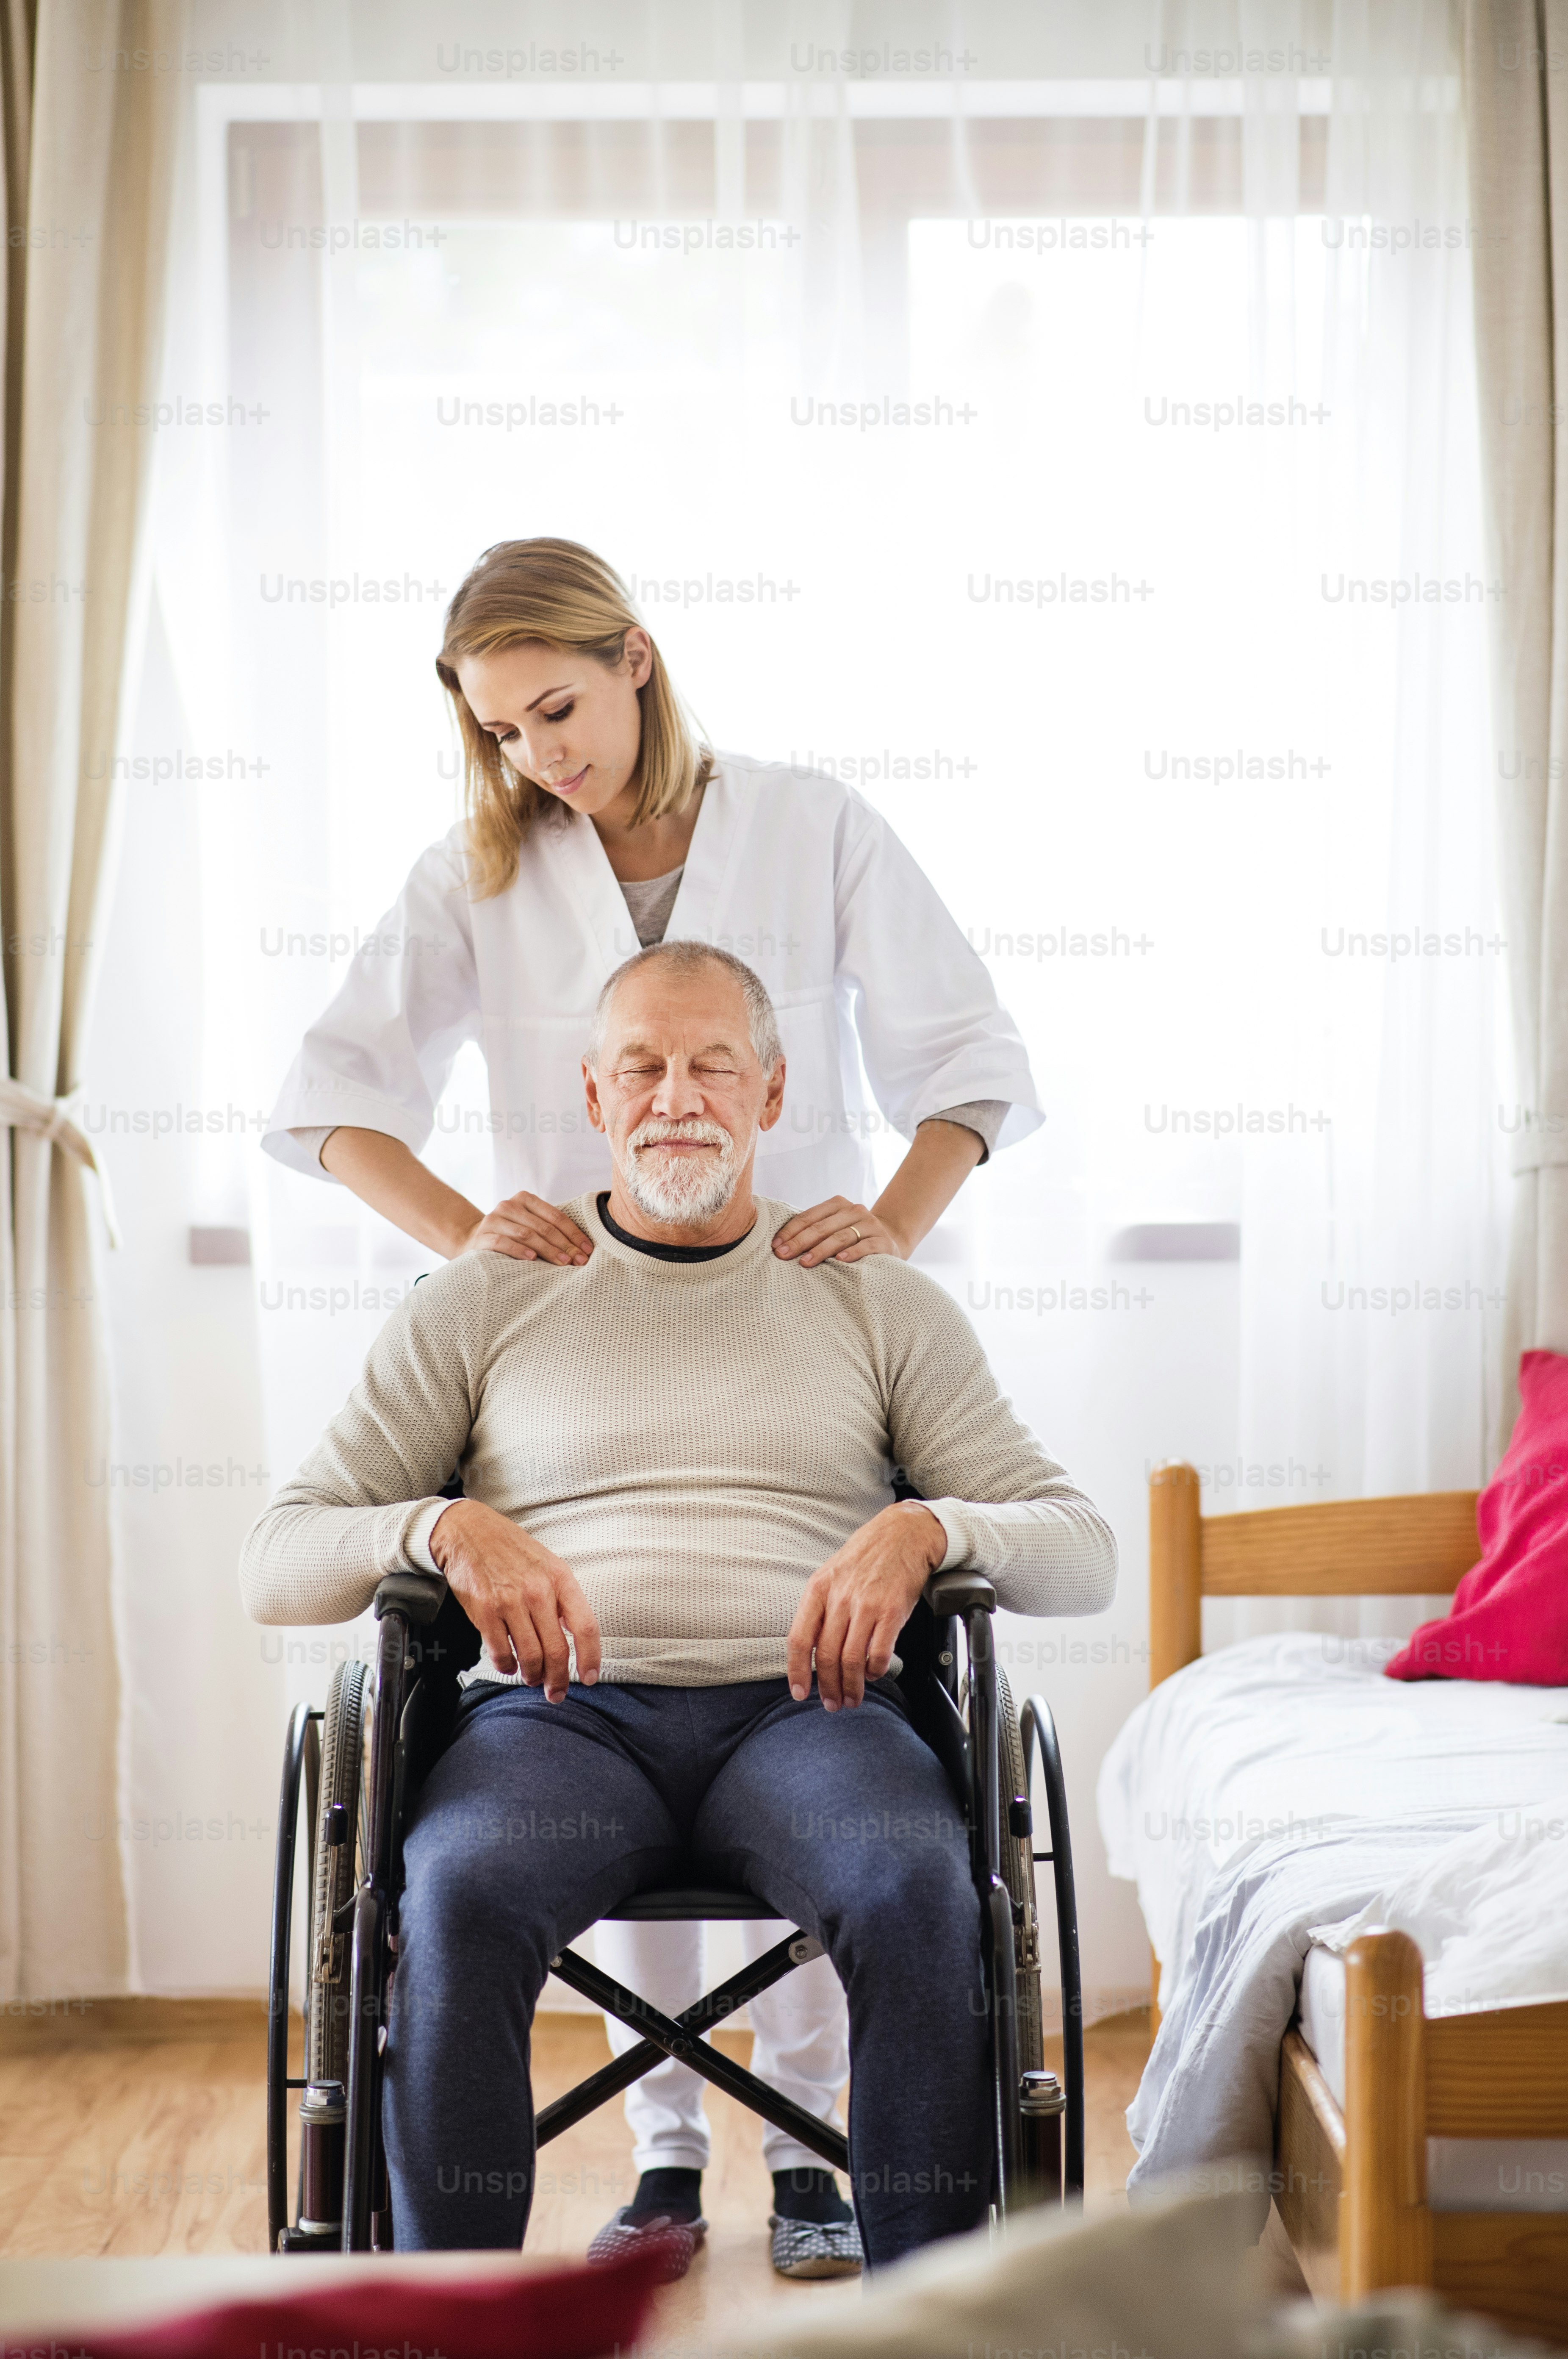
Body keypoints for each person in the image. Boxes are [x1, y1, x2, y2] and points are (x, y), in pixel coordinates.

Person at [261, 536, 1043, 2278]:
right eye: (503, 730)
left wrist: (878, 1249)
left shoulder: (809, 822)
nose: (543, 753)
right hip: (562, 1356)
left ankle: (826, 2165)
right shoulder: (480, 868)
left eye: (561, 708)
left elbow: (972, 1066)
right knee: (590, 1688)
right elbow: (324, 1099)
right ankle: (668, 2155)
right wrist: (479, 1243)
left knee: (823, 1721)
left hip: (803, 1337)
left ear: (636, 660)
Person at [241, 943, 1116, 2265]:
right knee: (455, 1898)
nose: (677, 1096)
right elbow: (277, 1560)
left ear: (772, 1093)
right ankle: (461, 2326)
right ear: (594, 1099)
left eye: (714, 1064)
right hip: (555, 1721)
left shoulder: (872, 1296)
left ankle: (942, 2319)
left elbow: (1082, 1550)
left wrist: (927, 1527)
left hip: (812, 1715)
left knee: (916, 1891)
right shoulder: (488, 1295)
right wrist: (445, 1524)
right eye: (642, 1066)